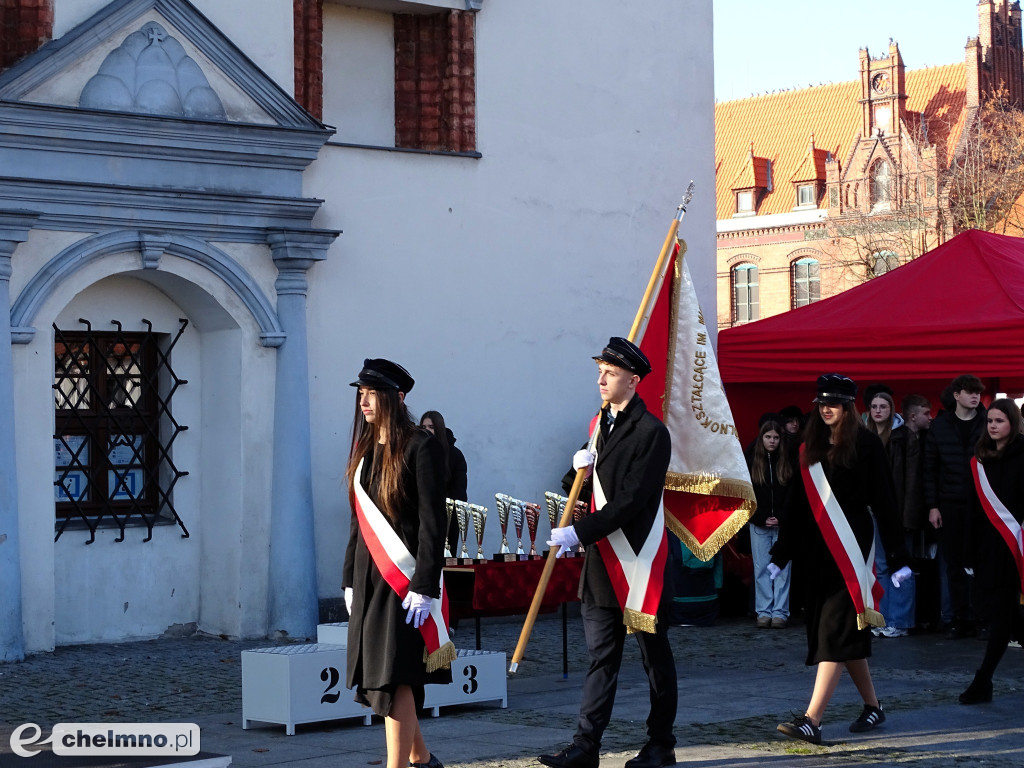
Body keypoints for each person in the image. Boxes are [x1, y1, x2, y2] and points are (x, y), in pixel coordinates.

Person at [539, 337, 677, 768]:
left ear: (632, 381)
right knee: (601, 658)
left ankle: (661, 745)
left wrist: (578, 533)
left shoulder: (652, 433)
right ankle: (586, 746)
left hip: (638, 560)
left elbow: (631, 501)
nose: (601, 379)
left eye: (610, 373)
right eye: (599, 371)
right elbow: (580, 488)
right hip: (602, 563)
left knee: (654, 659)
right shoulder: (599, 425)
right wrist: (575, 470)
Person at [771, 374, 911, 745]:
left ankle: (812, 721)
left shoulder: (866, 444)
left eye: (833, 403)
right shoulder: (809, 445)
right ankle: (873, 706)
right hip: (817, 553)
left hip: (852, 547)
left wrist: (898, 555)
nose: (826, 409)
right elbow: (797, 504)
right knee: (840, 631)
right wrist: (781, 552)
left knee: (834, 631)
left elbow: (885, 499)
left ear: (848, 407)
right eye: (822, 403)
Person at [341, 359, 454, 768]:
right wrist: (349, 579)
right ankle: (422, 758)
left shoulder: (421, 447)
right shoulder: (366, 448)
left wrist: (425, 585)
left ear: (398, 397)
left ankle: (400, 765)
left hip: (404, 580)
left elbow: (433, 522)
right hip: (370, 577)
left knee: (394, 674)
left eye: (372, 394)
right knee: (379, 674)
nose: (364, 402)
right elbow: (358, 522)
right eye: (361, 393)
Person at [959, 398, 1024, 704]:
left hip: (1017, 547)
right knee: (1010, 618)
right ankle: (982, 682)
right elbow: (972, 510)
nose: (993, 426)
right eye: (990, 421)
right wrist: (969, 552)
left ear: (1013, 423)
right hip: (988, 547)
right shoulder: (980, 460)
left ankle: (982, 681)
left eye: (1000, 421)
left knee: (1003, 617)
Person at [923, 374, 986, 638]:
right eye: (970, 391)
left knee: (982, 561)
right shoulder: (940, 426)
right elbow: (930, 468)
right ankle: (961, 619)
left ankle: (982, 619)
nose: (975, 396)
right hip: (949, 503)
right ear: (957, 395)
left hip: (982, 504)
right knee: (954, 563)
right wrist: (933, 506)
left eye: (978, 392)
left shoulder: (987, 423)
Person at [865, 391, 919, 638]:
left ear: (891, 409)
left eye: (883, 406)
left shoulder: (903, 437)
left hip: (897, 511)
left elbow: (912, 479)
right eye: (874, 406)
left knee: (900, 564)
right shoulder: (864, 436)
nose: (878, 410)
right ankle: (884, 618)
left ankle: (900, 621)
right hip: (871, 510)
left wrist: (907, 516)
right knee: (880, 566)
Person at [747, 419, 793, 629]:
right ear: (761, 438)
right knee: (761, 568)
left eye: (775, 437)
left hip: (782, 525)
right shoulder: (752, 461)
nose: (772, 441)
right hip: (759, 523)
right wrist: (760, 517)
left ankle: (780, 612)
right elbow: (747, 494)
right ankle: (764, 611)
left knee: (782, 568)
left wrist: (781, 517)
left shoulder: (787, 461)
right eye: (768, 437)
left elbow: (792, 494)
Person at [419, 410, 468, 554]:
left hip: (447, 518)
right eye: (423, 427)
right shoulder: (416, 452)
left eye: (431, 427)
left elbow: (459, 491)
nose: (427, 431)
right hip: (421, 518)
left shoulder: (454, 455)